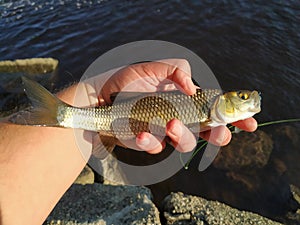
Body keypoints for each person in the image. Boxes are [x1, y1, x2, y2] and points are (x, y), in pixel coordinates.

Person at [0, 59, 257, 224]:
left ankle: (61, 113)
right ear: (224, 100)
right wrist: (97, 93)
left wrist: (96, 92)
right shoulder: (205, 103)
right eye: (242, 97)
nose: (248, 100)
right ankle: (60, 113)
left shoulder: (207, 110)